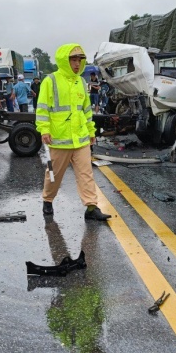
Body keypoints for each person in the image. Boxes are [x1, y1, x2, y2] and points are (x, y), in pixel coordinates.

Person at [35, 44, 111, 221]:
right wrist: (44, 130)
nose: (77, 64)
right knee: (54, 175)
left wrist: (91, 130)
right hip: (59, 139)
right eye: (73, 60)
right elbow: (42, 108)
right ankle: (47, 200)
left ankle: (91, 207)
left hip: (80, 139)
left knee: (86, 174)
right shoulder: (51, 80)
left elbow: (85, 110)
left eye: (79, 60)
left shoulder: (81, 82)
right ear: (64, 60)